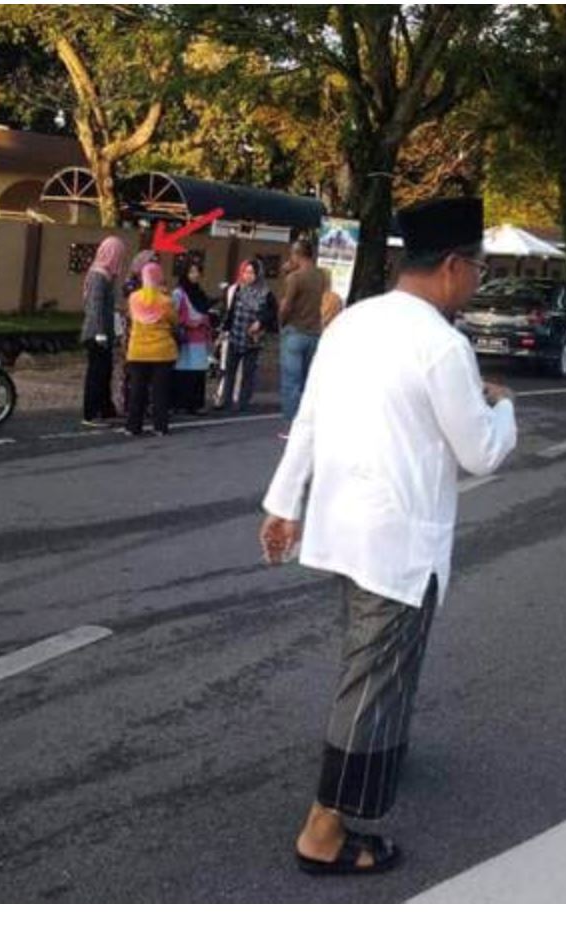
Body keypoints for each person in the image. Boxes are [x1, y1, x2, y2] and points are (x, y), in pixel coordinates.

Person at [259, 197, 517, 875]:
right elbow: (482, 453)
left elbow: (307, 421)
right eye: (479, 270)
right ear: (455, 265)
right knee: (371, 677)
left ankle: (380, 753)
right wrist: (506, 407)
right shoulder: (442, 344)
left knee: (375, 666)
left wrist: (285, 505)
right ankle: (324, 831)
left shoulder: (353, 323)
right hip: (398, 544)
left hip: (343, 529)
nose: (479, 282)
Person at [124, 262, 179, 437]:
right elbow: (174, 321)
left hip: (138, 351)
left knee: (137, 391)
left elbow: (131, 318)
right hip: (162, 352)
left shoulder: (133, 298)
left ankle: (133, 427)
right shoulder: (165, 301)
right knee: (160, 392)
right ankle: (160, 426)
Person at [215, 258, 277, 413]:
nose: (248, 276)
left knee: (248, 373)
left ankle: (243, 403)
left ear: (258, 274)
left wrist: (260, 322)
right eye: (245, 272)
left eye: (251, 273)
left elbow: (272, 313)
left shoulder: (266, 293)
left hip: (252, 338)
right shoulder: (238, 290)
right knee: (230, 371)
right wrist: (224, 330)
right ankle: (226, 401)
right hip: (235, 334)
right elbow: (232, 312)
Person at [278, 238, 325, 437]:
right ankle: (308, 424)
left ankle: (292, 424)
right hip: (315, 332)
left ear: (297, 255)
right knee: (307, 381)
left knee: (291, 381)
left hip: (295, 332)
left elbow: (286, 305)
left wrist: (281, 322)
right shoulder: (323, 276)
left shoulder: (295, 277)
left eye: (292, 254)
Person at [80, 235, 127, 427]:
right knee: (96, 374)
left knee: (106, 371)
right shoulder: (98, 275)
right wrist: (100, 333)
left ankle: (106, 408)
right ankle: (91, 414)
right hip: (96, 333)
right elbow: (95, 306)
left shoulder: (107, 275)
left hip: (104, 332)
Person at [171, 256, 214, 416]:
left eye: (197, 272)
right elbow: (173, 315)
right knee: (183, 370)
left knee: (197, 371)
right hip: (185, 339)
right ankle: (180, 403)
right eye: (191, 272)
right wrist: (191, 322)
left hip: (200, 339)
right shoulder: (178, 293)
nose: (195, 275)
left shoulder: (200, 293)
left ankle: (194, 404)